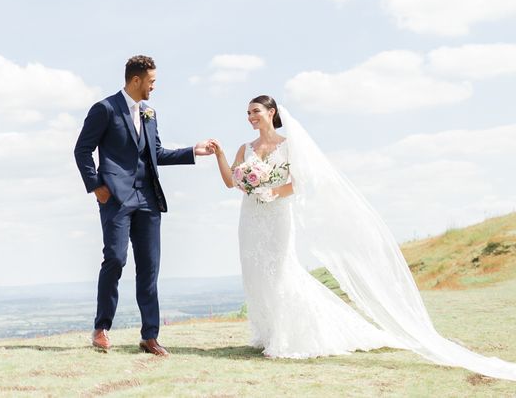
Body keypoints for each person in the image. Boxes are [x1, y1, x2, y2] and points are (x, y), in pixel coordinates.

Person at [209, 95, 516, 380]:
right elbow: (229, 181)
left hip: (277, 216)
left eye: (256, 112)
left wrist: (274, 191)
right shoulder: (245, 149)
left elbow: (301, 182)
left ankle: (285, 336)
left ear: (271, 113)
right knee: (257, 274)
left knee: (281, 272)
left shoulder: (289, 146)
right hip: (250, 219)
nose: (251, 117)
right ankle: (267, 331)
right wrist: (221, 155)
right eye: (248, 113)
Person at [74, 55, 214, 356]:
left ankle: (150, 336)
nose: (154, 87)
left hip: (148, 198)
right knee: (115, 259)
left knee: (149, 268)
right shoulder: (105, 109)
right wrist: (96, 186)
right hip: (116, 198)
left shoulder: (150, 112)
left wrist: (193, 151)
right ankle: (101, 329)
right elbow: (82, 150)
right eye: (151, 82)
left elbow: (156, 153)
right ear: (135, 80)